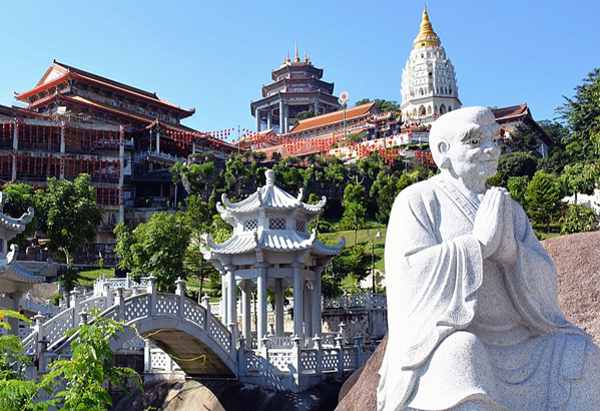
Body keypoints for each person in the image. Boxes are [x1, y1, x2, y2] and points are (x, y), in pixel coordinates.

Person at [376, 107, 600, 411]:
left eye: (494, 140)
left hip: (521, 342)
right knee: (462, 353)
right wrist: (476, 246)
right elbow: (409, 277)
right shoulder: (418, 201)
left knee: (578, 351)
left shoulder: (509, 209)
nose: (490, 149)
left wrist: (512, 254)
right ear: (443, 151)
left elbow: (545, 278)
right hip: (454, 338)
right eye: (474, 141)